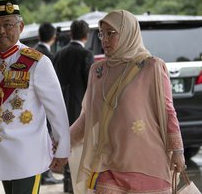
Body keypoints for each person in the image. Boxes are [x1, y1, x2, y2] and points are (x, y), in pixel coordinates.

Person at [70, 10, 186, 193]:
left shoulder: (152, 67)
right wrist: (62, 143)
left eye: (111, 33)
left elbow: (168, 111)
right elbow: (90, 116)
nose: (104, 39)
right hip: (108, 163)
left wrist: (178, 151)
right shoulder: (98, 71)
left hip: (147, 163)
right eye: (102, 33)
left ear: (127, 33)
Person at [0, 0, 70, 194]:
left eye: (7, 24)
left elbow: (57, 110)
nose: (1, 30)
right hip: (1, 156)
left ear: (20, 26)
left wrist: (63, 149)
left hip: (29, 155)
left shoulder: (38, 62)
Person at [53, 19, 94, 193]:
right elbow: (91, 84)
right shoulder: (86, 54)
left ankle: (66, 183)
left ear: (71, 33)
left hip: (61, 104)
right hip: (80, 106)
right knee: (80, 147)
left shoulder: (59, 54)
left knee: (65, 143)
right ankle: (77, 184)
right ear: (86, 35)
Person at [33, 22, 61, 185]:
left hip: (34, 105)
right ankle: (45, 173)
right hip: (43, 104)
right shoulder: (46, 57)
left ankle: (43, 172)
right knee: (46, 138)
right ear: (53, 37)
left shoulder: (34, 52)